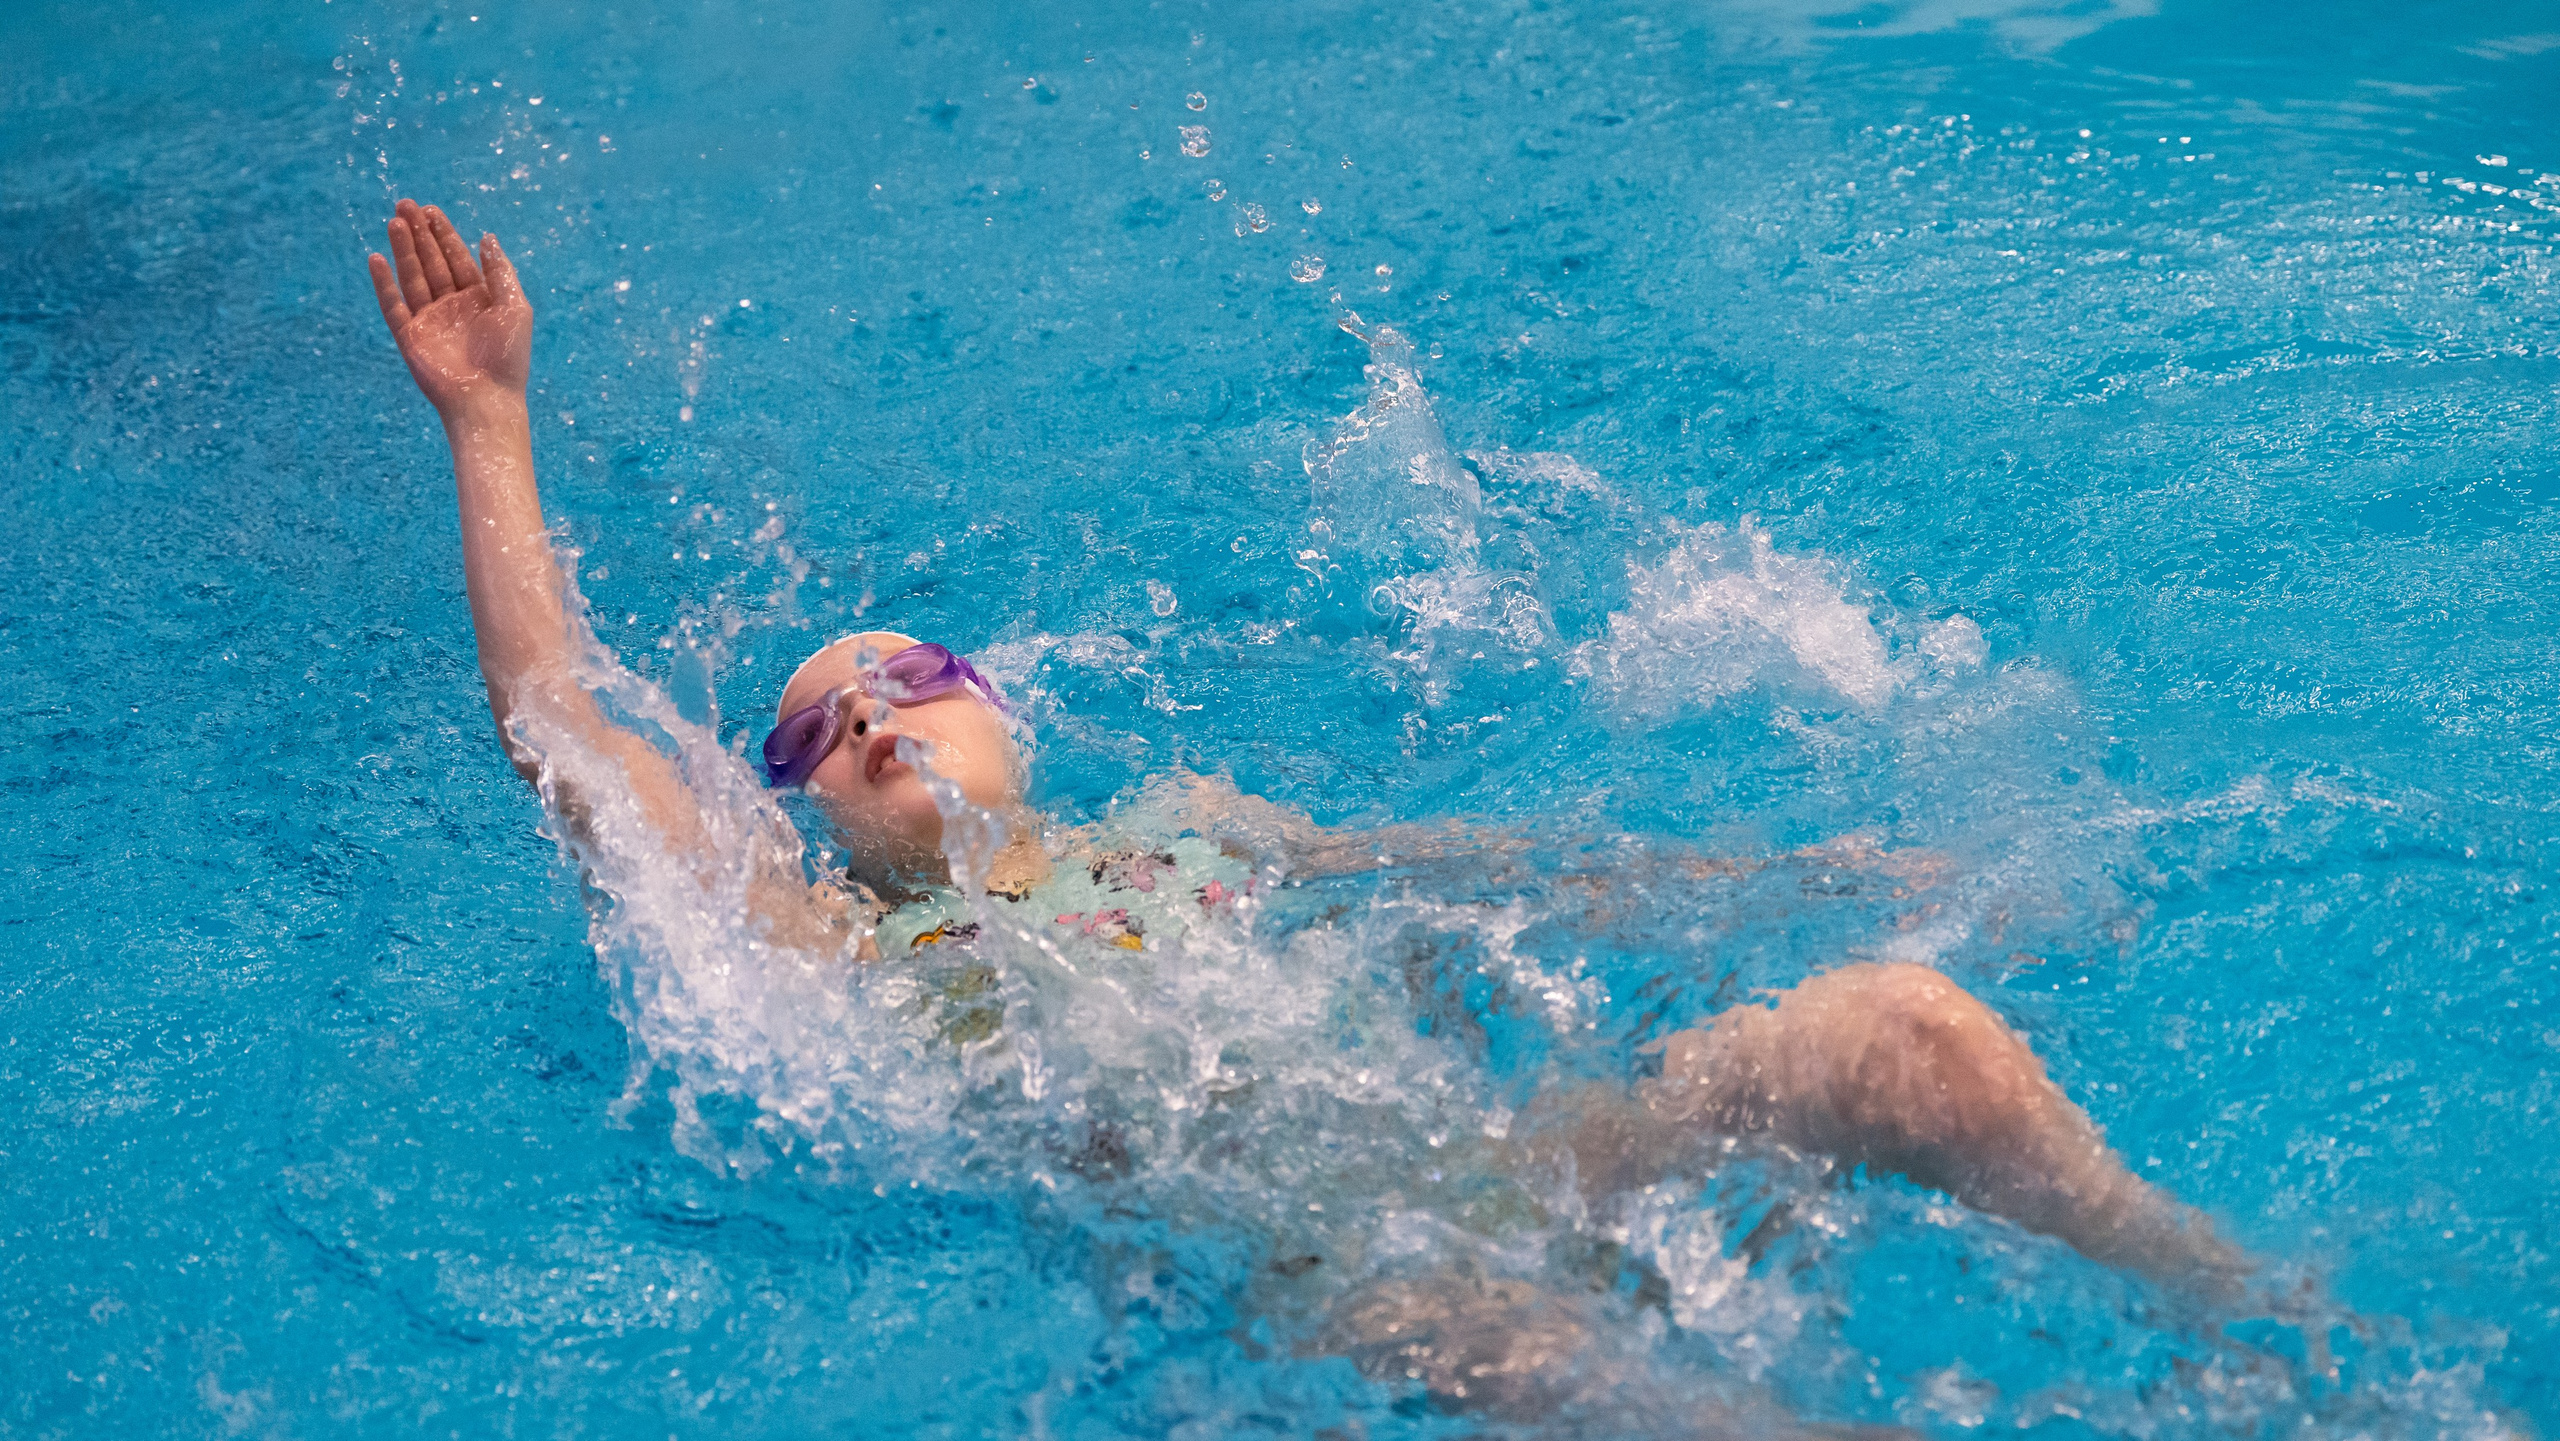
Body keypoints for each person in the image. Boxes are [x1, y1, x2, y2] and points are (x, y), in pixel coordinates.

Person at [367, 198, 2247, 1417]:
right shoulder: (830, 956)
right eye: (806, 729)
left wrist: (1822, 874)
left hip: (1520, 1153)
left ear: (1003, 709)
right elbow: (566, 735)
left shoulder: (1197, 819)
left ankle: (2283, 1346)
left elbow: (1535, 880)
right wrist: (489, 425)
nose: (865, 709)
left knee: (1905, 1033)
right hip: (1333, 1281)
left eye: (908, 672)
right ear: (803, 815)